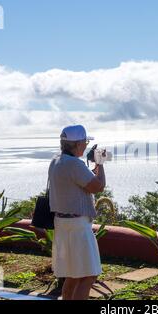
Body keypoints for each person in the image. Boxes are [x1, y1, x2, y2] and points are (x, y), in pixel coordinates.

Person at [48, 124, 106, 300]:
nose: (86, 145)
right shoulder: (74, 165)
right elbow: (98, 186)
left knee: (72, 274)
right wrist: (100, 164)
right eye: (85, 142)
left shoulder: (56, 161)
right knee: (87, 275)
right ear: (78, 144)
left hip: (62, 224)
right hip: (78, 226)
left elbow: (83, 180)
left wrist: (93, 165)